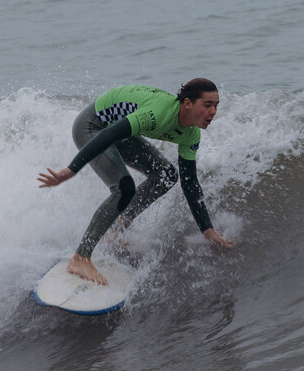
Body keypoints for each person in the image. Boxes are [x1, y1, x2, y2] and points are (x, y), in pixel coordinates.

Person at [38, 78, 234, 284]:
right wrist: (71, 169)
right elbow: (109, 133)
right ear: (187, 103)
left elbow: (190, 182)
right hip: (93, 128)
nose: (213, 112)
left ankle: (115, 229)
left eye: (216, 106)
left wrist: (207, 229)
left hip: (118, 133)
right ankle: (80, 257)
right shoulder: (157, 114)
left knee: (167, 175)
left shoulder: (191, 135)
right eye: (207, 105)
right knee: (124, 189)